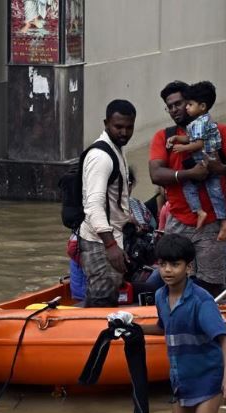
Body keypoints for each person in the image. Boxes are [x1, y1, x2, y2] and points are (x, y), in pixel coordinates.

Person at [139, 234, 226, 413]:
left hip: (208, 379)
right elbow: (164, 327)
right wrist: (134, 329)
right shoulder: (161, 296)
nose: (168, 270)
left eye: (175, 265)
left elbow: (223, 337)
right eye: (163, 264)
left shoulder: (200, 300)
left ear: (189, 267)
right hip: (181, 380)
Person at [149, 80, 226, 297]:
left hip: (213, 223)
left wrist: (219, 168)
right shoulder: (164, 137)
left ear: (193, 103)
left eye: (179, 104)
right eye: (170, 106)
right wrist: (189, 175)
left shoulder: (219, 131)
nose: (175, 110)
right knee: (171, 280)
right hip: (177, 221)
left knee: (211, 283)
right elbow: (155, 174)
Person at [79, 99, 135, 307]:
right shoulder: (101, 157)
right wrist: (110, 245)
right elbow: (93, 205)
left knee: (110, 295)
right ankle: (95, 337)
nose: (124, 132)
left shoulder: (116, 149)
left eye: (129, 127)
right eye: (118, 127)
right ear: (106, 123)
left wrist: (127, 217)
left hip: (113, 235)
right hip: (99, 240)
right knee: (101, 299)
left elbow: (113, 197)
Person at [165, 81, 226, 240]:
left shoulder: (201, 122)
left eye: (189, 104)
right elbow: (190, 138)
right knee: (196, 188)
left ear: (202, 106)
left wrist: (183, 148)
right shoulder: (197, 122)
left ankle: (221, 221)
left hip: (207, 161)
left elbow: (199, 143)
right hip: (202, 162)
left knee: (213, 192)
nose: (186, 108)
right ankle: (204, 213)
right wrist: (176, 138)